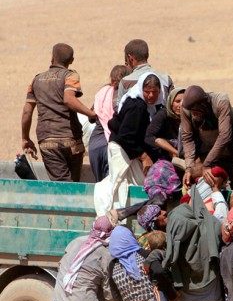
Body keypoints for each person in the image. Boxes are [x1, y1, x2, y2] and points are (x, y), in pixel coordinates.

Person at [93, 73, 167, 216]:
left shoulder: (149, 106)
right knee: (119, 186)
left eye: (155, 92)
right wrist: (144, 156)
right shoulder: (137, 106)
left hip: (128, 150)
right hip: (123, 149)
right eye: (147, 91)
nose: (151, 95)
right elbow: (126, 136)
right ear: (141, 89)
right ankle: (112, 218)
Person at [21, 43, 97, 182]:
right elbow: (69, 99)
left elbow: (27, 112)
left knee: (62, 187)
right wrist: (91, 114)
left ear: (52, 57)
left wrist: (26, 138)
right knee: (74, 185)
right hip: (72, 139)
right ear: (71, 60)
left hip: (48, 142)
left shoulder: (36, 80)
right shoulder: (70, 76)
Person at [180, 85, 233, 189]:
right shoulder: (185, 108)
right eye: (192, 111)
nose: (193, 114)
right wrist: (188, 168)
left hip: (231, 148)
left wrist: (207, 164)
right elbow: (187, 138)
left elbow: (225, 136)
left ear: (204, 104)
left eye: (196, 110)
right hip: (206, 149)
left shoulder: (220, 101)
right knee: (204, 179)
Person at [89, 64, 131, 181]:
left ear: (112, 81)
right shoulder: (128, 97)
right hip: (113, 147)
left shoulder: (103, 93)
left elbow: (91, 118)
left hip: (95, 147)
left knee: (100, 186)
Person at [116, 39, 173, 109]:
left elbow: (120, 109)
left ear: (130, 58)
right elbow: (172, 107)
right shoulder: (166, 79)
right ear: (147, 55)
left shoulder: (125, 82)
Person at [142, 230, 178, 301]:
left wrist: (146, 264)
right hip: (171, 280)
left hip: (158, 282)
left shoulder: (155, 253)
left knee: (158, 293)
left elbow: (152, 259)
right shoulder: (166, 252)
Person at [145, 87, 185, 161]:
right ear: (171, 102)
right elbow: (149, 138)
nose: (180, 105)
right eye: (177, 101)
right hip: (162, 157)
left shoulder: (189, 117)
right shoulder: (163, 115)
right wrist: (168, 150)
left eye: (184, 102)